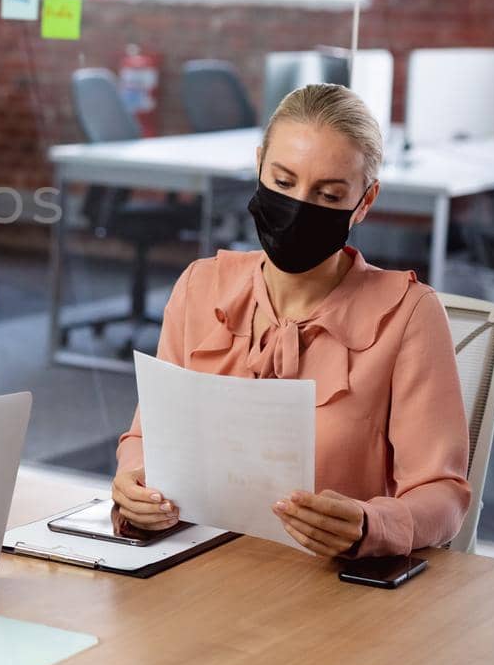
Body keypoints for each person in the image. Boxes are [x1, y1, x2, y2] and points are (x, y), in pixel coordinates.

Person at [111, 83, 471, 558]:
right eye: (282, 183)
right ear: (259, 165)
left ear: (364, 202)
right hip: (196, 569)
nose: (300, 206)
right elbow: (147, 436)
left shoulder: (408, 313)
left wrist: (371, 525)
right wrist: (136, 483)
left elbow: (443, 495)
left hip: (328, 589)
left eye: (328, 194)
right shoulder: (201, 286)